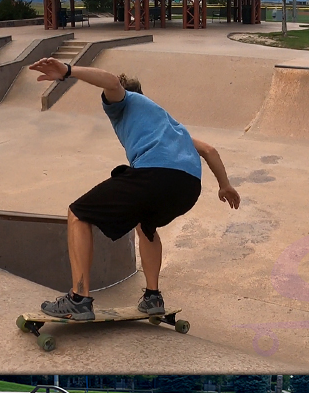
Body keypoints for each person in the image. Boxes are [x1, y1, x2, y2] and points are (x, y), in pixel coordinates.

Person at [28, 57, 240, 321]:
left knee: (78, 213)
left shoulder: (122, 100)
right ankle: (153, 297)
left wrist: (68, 71)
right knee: (146, 225)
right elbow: (209, 150)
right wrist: (225, 185)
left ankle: (79, 299)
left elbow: (111, 82)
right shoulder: (167, 121)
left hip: (155, 175)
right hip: (187, 187)